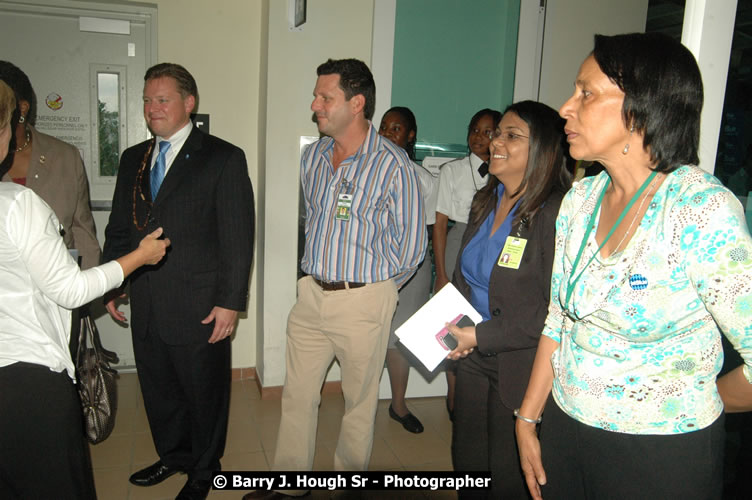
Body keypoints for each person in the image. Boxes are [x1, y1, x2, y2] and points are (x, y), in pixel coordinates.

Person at [515, 32, 752, 500]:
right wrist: (527, 417)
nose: (566, 107)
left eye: (586, 93)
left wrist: (695, 399)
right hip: (566, 426)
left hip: (660, 455)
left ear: (642, 108)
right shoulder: (581, 201)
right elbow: (559, 320)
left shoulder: (698, 209)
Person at [245, 58, 426, 500]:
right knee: (297, 396)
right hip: (310, 296)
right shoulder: (313, 156)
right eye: (317, 96)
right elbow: (317, 221)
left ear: (357, 102)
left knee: (358, 407)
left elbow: (411, 250)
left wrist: (375, 292)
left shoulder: (393, 166)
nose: (315, 105)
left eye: (325, 97)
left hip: (363, 301)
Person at [0, 79, 170, 500]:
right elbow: (71, 289)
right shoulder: (16, 204)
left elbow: (84, 231)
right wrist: (137, 258)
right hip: (25, 378)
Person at [103, 63, 255, 500]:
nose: (152, 108)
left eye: (162, 99)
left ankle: (205, 470)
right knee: (159, 390)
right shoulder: (134, 158)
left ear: (189, 104)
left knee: (203, 394)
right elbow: (120, 228)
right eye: (148, 100)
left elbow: (238, 236)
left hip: (199, 304)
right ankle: (173, 455)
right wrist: (114, 281)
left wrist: (230, 302)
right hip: (147, 300)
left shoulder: (223, 157)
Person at [445, 101, 570, 499]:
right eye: (497, 132)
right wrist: (451, 332)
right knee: (467, 462)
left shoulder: (555, 212)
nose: (495, 141)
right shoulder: (487, 199)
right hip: (472, 359)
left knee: (506, 475)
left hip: (520, 363)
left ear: (543, 150)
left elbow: (554, 312)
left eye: (510, 135)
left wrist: (478, 336)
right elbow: (466, 277)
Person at [0, 61, 100, 270]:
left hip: (60, 290)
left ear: (21, 109)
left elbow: (82, 231)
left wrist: (89, 293)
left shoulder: (65, 156)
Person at [433, 108, 501, 416]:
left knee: (484, 321)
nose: (479, 137)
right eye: (475, 130)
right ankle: (454, 396)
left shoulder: (506, 171)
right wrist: (441, 273)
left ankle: (481, 395)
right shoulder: (453, 170)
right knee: (453, 324)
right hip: (459, 242)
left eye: (488, 132)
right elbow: (440, 223)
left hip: (492, 248)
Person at [379, 105, 437, 434]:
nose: (388, 133)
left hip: (412, 266)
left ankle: (398, 405)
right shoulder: (366, 171)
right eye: (384, 127)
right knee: (368, 336)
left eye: (396, 128)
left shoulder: (424, 179)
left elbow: (429, 229)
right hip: (373, 265)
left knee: (400, 338)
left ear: (411, 135)